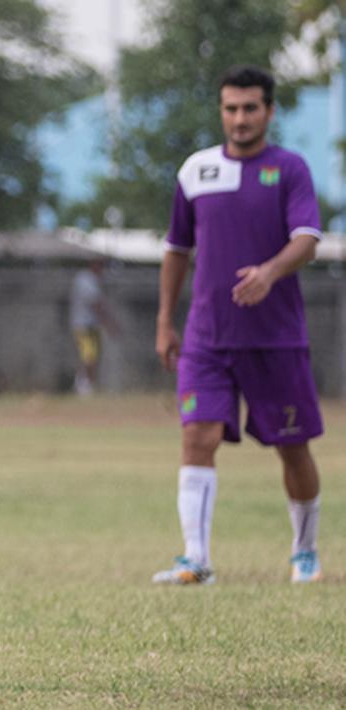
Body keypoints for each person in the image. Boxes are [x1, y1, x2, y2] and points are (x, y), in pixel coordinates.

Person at [152, 65, 324, 586]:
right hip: (207, 338)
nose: (240, 118)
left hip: (274, 337)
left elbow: (308, 238)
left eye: (251, 108)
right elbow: (176, 249)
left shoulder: (289, 169)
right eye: (231, 108)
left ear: (269, 111)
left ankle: (305, 552)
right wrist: (165, 321)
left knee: (292, 447)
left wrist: (270, 272)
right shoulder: (196, 171)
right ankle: (196, 559)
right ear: (221, 111)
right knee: (197, 435)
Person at [69, 257, 115, 395]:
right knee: (89, 355)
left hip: (92, 325)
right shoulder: (85, 280)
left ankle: (85, 384)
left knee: (92, 356)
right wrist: (110, 324)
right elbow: (96, 305)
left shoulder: (94, 280)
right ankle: (83, 386)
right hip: (82, 325)